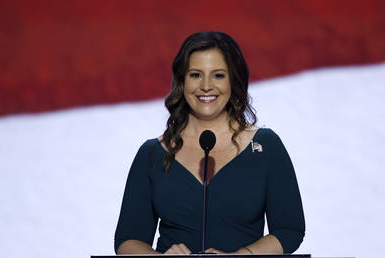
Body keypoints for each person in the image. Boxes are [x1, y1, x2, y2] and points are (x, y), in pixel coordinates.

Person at [114, 31, 305, 254]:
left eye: (218, 75)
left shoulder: (265, 147)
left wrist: (240, 256)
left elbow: (289, 231)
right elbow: (128, 240)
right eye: (195, 75)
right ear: (182, 81)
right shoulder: (152, 153)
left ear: (234, 80)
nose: (206, 86)